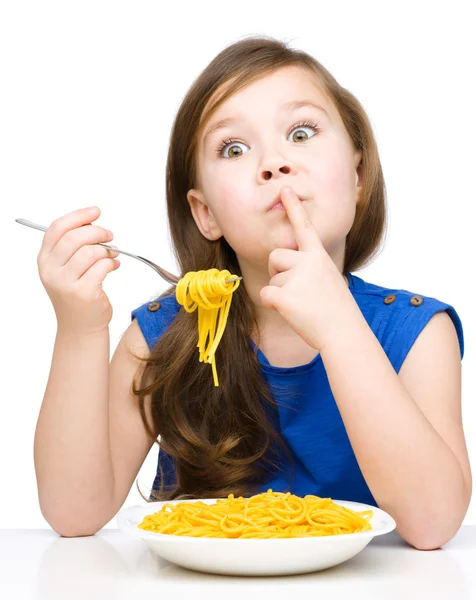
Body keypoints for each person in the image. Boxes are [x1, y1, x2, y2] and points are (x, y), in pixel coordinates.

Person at [34, 36, 471, 550]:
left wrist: (338, 327)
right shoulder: (163, 334)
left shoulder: (416, 332)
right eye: (234, 149)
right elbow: (74, 512)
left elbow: (434, 524)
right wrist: (79, 329)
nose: (275, 163)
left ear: (357, 176)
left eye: (302, 132)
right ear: (206, 214)